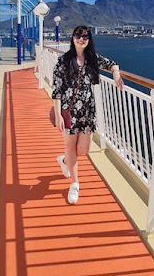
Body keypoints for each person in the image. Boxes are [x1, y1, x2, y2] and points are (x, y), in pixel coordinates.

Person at [51, 25, 124, 204]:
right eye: (78, 35)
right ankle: (75, 184)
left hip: (87, 111)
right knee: (70, 146)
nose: (81, 39)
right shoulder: (64, 60)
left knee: (83, 150)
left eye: (85, 36)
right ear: (73, 38)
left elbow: (111, 63)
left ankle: (65, 161)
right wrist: (59, 114)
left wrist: (115, 73)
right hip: (69, 110)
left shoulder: (92, 59)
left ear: (89, 40)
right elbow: (57, 89)